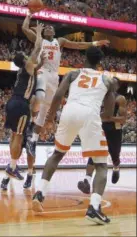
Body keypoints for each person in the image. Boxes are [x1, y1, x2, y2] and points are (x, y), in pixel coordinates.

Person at [22, 12, 110, 188]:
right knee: (38, 96)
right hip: (43, 72)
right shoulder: (39, 40)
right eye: (46, 27)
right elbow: (24, 29)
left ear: (54, 32)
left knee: (47, 109)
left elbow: (77, 44)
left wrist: (94, 43)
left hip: (54, 76)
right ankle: (31, 123)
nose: (49, 28)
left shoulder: (59, 41)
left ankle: (34, 138)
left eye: (51, 27)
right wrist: (28, 15)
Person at [32, 46, 116, 225]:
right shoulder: (107, 80)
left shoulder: (72, 74)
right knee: (101, 165)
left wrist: (50, 117)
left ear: (85, 57)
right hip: (89, 115)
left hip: (69, 112)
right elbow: (108, 113)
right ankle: (94, 208)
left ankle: (40, 193)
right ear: (100, 62)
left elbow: (58, 95)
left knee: (57, 154)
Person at [0, 22, 44, 190]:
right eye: (25, 55)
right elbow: (38, 46)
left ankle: (12, 168)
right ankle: (11, 168)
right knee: (18, 137)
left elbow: (34, 69)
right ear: (25, 60)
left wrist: (40, 65)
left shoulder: (23, 71)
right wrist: (39, 32)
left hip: (12, 102)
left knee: (14, 136)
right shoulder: (27, 65)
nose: (28, 55)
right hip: (21, 104)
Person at [78, 77, 127, 194]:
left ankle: (116, 167)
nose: (110, 84)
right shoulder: (99, 96)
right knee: (93, 152)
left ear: (117, 86)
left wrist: (110, 118)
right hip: (100, 127)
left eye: (113, 83)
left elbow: (123, 119)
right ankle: (86, 181)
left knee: (115, 155)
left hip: (114, 130)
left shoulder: (120, 99)